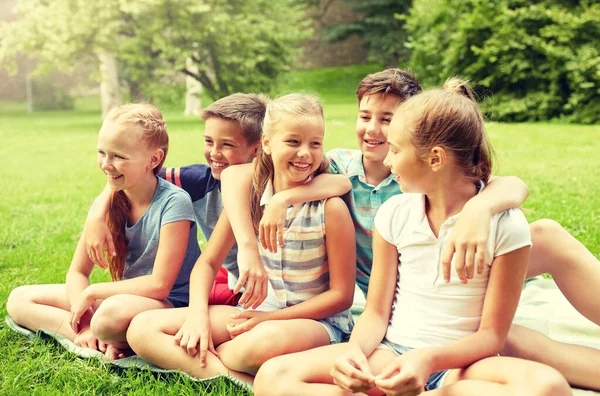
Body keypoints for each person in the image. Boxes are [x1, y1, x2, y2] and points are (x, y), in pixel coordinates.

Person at [253, 79, 570, 396]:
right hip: (391, 353)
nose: (387, 161)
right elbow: (376, 313)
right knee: (273, 376)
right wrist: (355, 351)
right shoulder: (394, 213)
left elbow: (491, 336)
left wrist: (427, 360)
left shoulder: (504, 224)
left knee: (549, 387)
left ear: (434, 159)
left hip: (461, 365)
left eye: (394, 150)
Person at [126, 93, 356, 381]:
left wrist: (268, 319)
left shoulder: (330, 208)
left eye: (315, 143)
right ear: (268, 144)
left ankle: (212, 365)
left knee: (260, 343)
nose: (305, 153)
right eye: (293, 142)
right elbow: (208, 264)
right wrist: (198, 318)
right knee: (142, 328)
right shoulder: (248, 198)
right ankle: (238, 380)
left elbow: (341, 296)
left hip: (315, 321)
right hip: (256, 312)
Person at [85, 93, 350, 310]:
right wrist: (99, 213)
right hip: (237, 283)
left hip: (260, 293)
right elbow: (135, 175)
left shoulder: (277, 183)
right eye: (209, 141)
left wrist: (284, 198)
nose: (214, 153)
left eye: (227, 145)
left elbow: (341, 182)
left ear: (259, 148)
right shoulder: (200, 180)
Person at [6, 103, 200, 360]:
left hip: (170, 303)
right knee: (19, 299)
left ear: (153, 159)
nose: (107, 164)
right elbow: (77, 272)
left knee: (109, 315)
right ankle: (89, 338)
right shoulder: (108, 203)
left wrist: (93, 293)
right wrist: (85, 320)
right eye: (102, 153)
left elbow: (160, 285)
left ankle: (108, 335)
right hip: (124, 299)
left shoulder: (175, 202)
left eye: (119, 156)